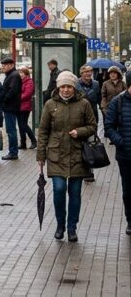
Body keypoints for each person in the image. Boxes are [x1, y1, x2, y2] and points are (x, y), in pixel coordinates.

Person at [36, 71, 97, 242]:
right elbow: (43, 131)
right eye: (63, 86)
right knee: (59, 189)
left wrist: (80, 131)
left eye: (69, 86)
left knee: (75, 193)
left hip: (78, 155)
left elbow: (93, 126)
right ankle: (60, 225)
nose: (66, 90)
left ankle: (72, 228)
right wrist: (40, 156)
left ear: (73, 87)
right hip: (56, 154)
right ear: (58, 87)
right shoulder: (50, 105)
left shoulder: (84, 104)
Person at [105, 70, 131, 236]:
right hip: (126, 155)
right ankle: (130, 220)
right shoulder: (118, 102)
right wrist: (120, 142)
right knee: (128, 190)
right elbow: (108, 126)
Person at [77, 65, 101, 182]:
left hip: (92, 117)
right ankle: (80, 169)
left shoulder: (96, 84)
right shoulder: (76, 84)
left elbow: (99, 99)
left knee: (91, 143)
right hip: (78, 118)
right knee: (80, 144)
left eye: (90, 71)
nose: (88, 74)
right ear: (81, 73)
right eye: (86, 72)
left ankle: (89, 171)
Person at [0, 57, 22, 160]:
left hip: (11, 106)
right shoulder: (11, 75)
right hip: (10, 106)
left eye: (5, 65)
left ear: (11, 65)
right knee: (10, 129)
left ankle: (13, 152)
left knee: (11, 130)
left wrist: (3, 100)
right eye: (2, 65)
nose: (3, 67)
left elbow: (12, 91)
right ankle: (13, 151)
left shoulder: (14, 76)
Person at [18, 67, 37, 149]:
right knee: (20, 125)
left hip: (25, 106)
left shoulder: (29, 82)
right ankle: (23, 143)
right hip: (19, 106)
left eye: (22, 73)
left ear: (26, 74)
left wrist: (17, 98)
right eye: (20, 73)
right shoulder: (20, 82)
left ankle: (34, 141)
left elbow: (27, 94)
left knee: (24, 125)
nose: (20, 74)